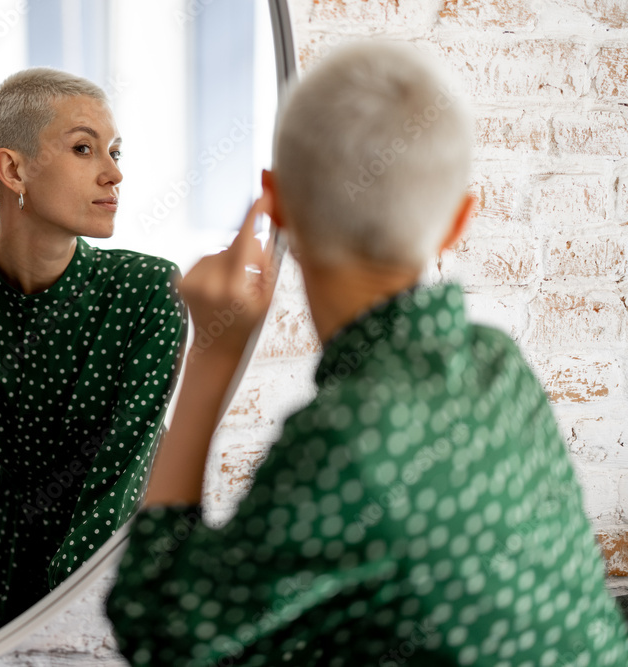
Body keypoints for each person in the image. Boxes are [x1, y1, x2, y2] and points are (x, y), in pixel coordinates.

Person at [104, 40, 628, 666]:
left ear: (278, 205)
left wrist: (211, 358)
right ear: (459, 220)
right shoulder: (498, 364)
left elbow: (159, 633)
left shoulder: (345, 439)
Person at [0, 66, 188, 638]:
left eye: (116, 152)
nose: (115, 173)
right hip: (16, 554)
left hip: (131, 561)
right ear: (13, 168)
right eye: (83, 148)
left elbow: (121, 476)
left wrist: (56, 620)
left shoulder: (148, 289)